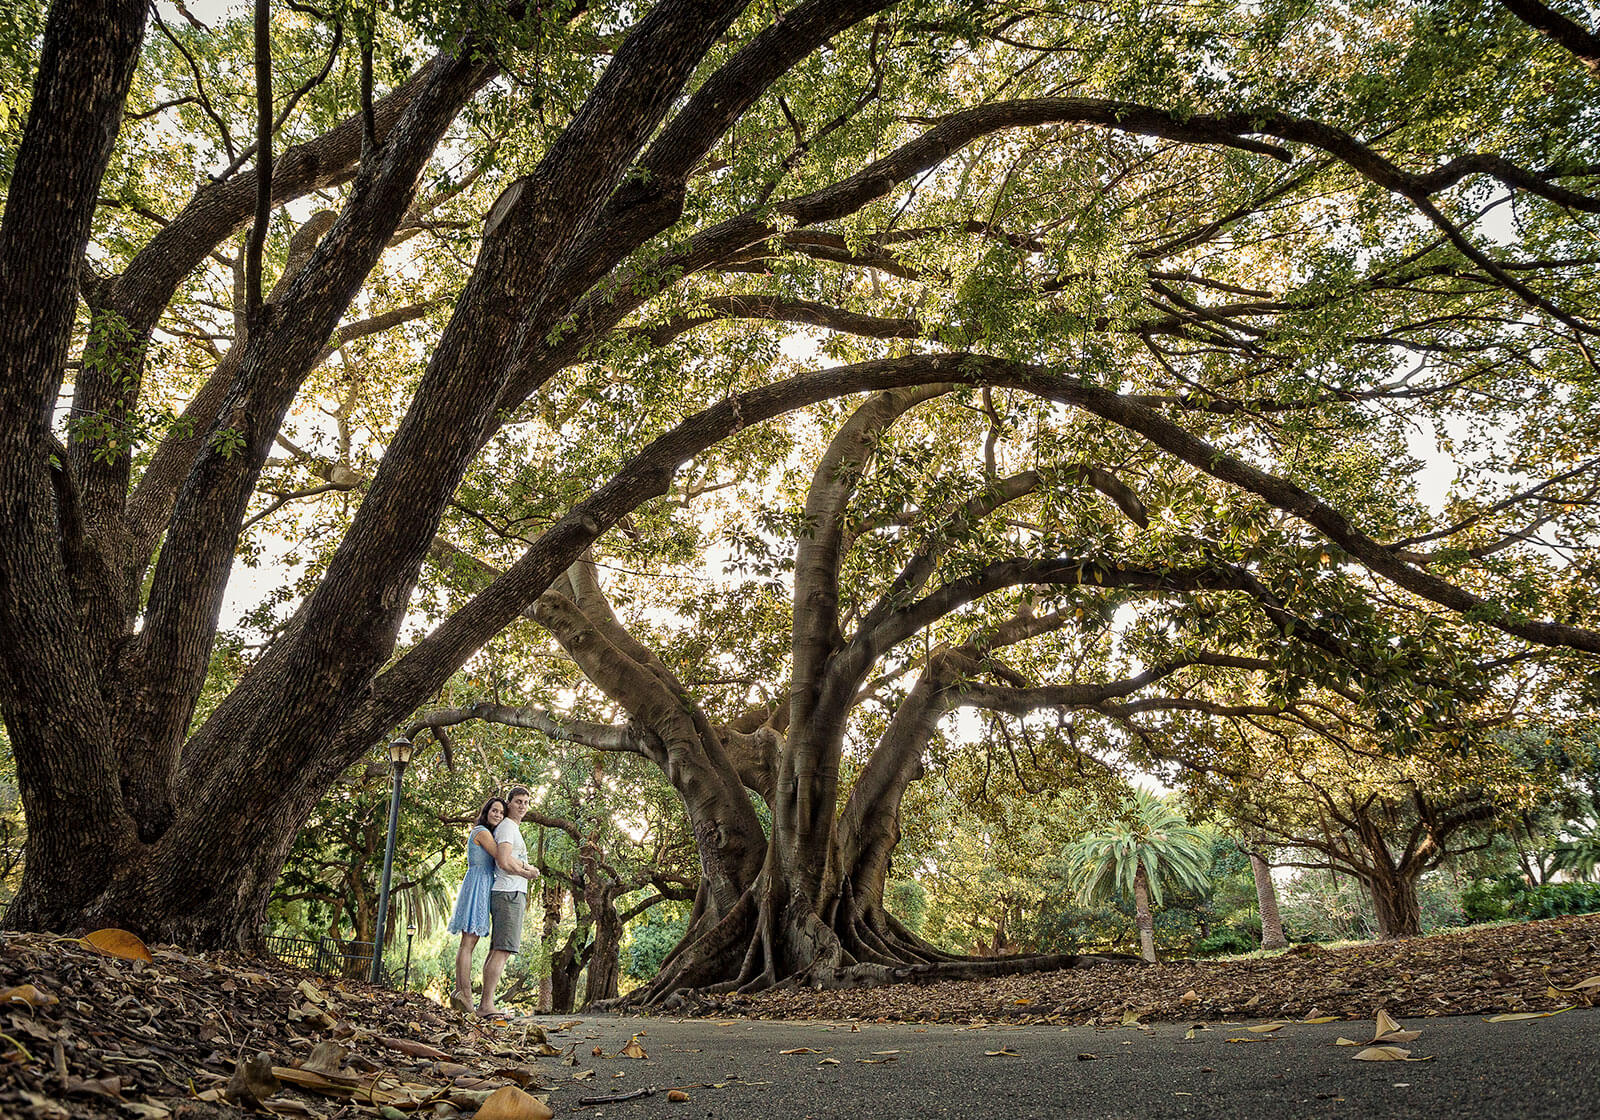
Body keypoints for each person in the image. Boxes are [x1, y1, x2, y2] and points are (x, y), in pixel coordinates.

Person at [480, 785, 539, 1016]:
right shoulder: (507, 828)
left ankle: (486, 1004)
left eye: (526, 802)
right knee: (502, 950)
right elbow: (503, 861)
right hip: (508, 893)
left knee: (499, 949)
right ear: (509, 803)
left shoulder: (512, 828)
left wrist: (524, 868)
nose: (522, 806)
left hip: (510, 892)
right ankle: (486, 1006)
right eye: (518, 802)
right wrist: (528, 872)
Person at [445, 797, 506, 1012]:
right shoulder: (481, 831)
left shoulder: (484, 831)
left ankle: (461, 991)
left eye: (501, 812)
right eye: (494, 810)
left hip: (479, 883)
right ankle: (465, 994)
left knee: (467, 942)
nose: (498, 815)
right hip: (479, 884)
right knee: (468, 942)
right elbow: (501, 855)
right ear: (486, 811)